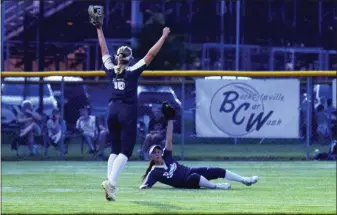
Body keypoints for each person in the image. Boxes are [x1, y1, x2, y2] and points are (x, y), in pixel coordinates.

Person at [88, 5, 170, 201]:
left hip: (112, 111)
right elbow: (150, 55)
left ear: (118, 57)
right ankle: (111, 183)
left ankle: (110, 187)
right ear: (130, 58)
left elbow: (103, 49)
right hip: (126, 111)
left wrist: (99, 29)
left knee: (114, 149)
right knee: (126, 150)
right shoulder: (132, 72)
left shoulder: (110, 68)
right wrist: (164, 37)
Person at [140, 102, 259, 190]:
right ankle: (216, 186)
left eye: (158, 151)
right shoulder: (154, 172)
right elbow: (145, 185)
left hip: (189, 170)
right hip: (186, 182)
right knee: (195, 177)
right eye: (154, 153)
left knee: (216, 170)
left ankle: (244, 180)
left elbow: (169, 139)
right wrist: (144, 187)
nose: (157, 153)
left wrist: (170, 120)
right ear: (151, 157)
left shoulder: (166, 156)